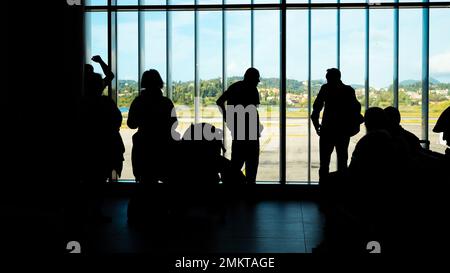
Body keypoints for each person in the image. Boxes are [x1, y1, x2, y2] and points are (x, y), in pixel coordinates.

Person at [79, 56, 124, 223]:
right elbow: (110, 76)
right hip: (106, 144)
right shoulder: (103, 101)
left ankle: (87, 212)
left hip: (88, 144)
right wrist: (100, 62)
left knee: (89, 179)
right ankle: (96, 212)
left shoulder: (84, 100)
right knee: (99, 180)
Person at [127, 69, 178, 184]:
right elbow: (174, 124)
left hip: (143, 146)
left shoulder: (138, 102)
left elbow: (131, 124)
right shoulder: (166, 102)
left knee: (146, 183)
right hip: (164, 145)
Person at [311, 68, 362, 180]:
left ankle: (323, 190)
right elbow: (356, 108)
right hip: (343, 131)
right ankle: (341, 192)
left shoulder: (325, 89)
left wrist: (317, 126)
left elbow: (316, 109)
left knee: (324, 164)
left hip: (327, 130)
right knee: (343, 162)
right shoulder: (348, 90)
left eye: (328, 78)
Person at [216, 68, 263, 184]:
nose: (257, 82)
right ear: (252, 79)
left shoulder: (234, 87)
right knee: (252, 168)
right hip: (251, 133)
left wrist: (226, 116)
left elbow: (219, 101)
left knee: (235, 166)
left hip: (238, 132)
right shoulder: (253, 90)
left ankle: (235, 195)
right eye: (257, 79)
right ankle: (250, 196)